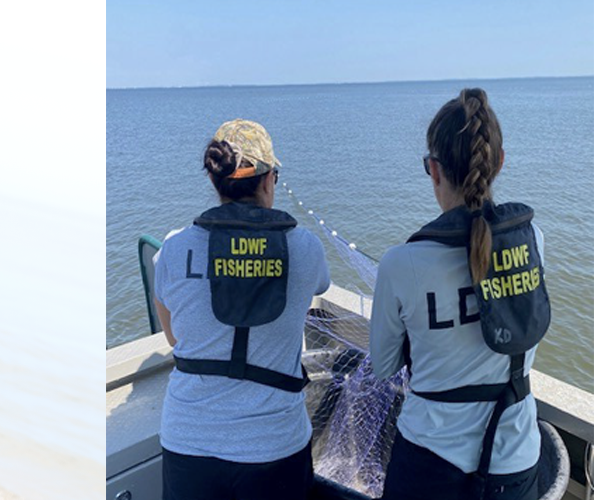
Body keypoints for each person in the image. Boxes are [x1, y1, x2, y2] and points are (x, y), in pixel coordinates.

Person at [372, 88, 547, 500]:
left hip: (428, 463)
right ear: (499, 162)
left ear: (434, 170)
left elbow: (383, 366)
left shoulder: (402, 264)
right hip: (516, 460)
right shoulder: (533, 241)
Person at [152, 119, 329, 499]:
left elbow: (173, 337)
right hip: (275, 444)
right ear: (268, 180)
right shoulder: (306, 250)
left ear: (216, 183)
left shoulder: (173, 250)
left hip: (188, 441)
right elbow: (318, 286)